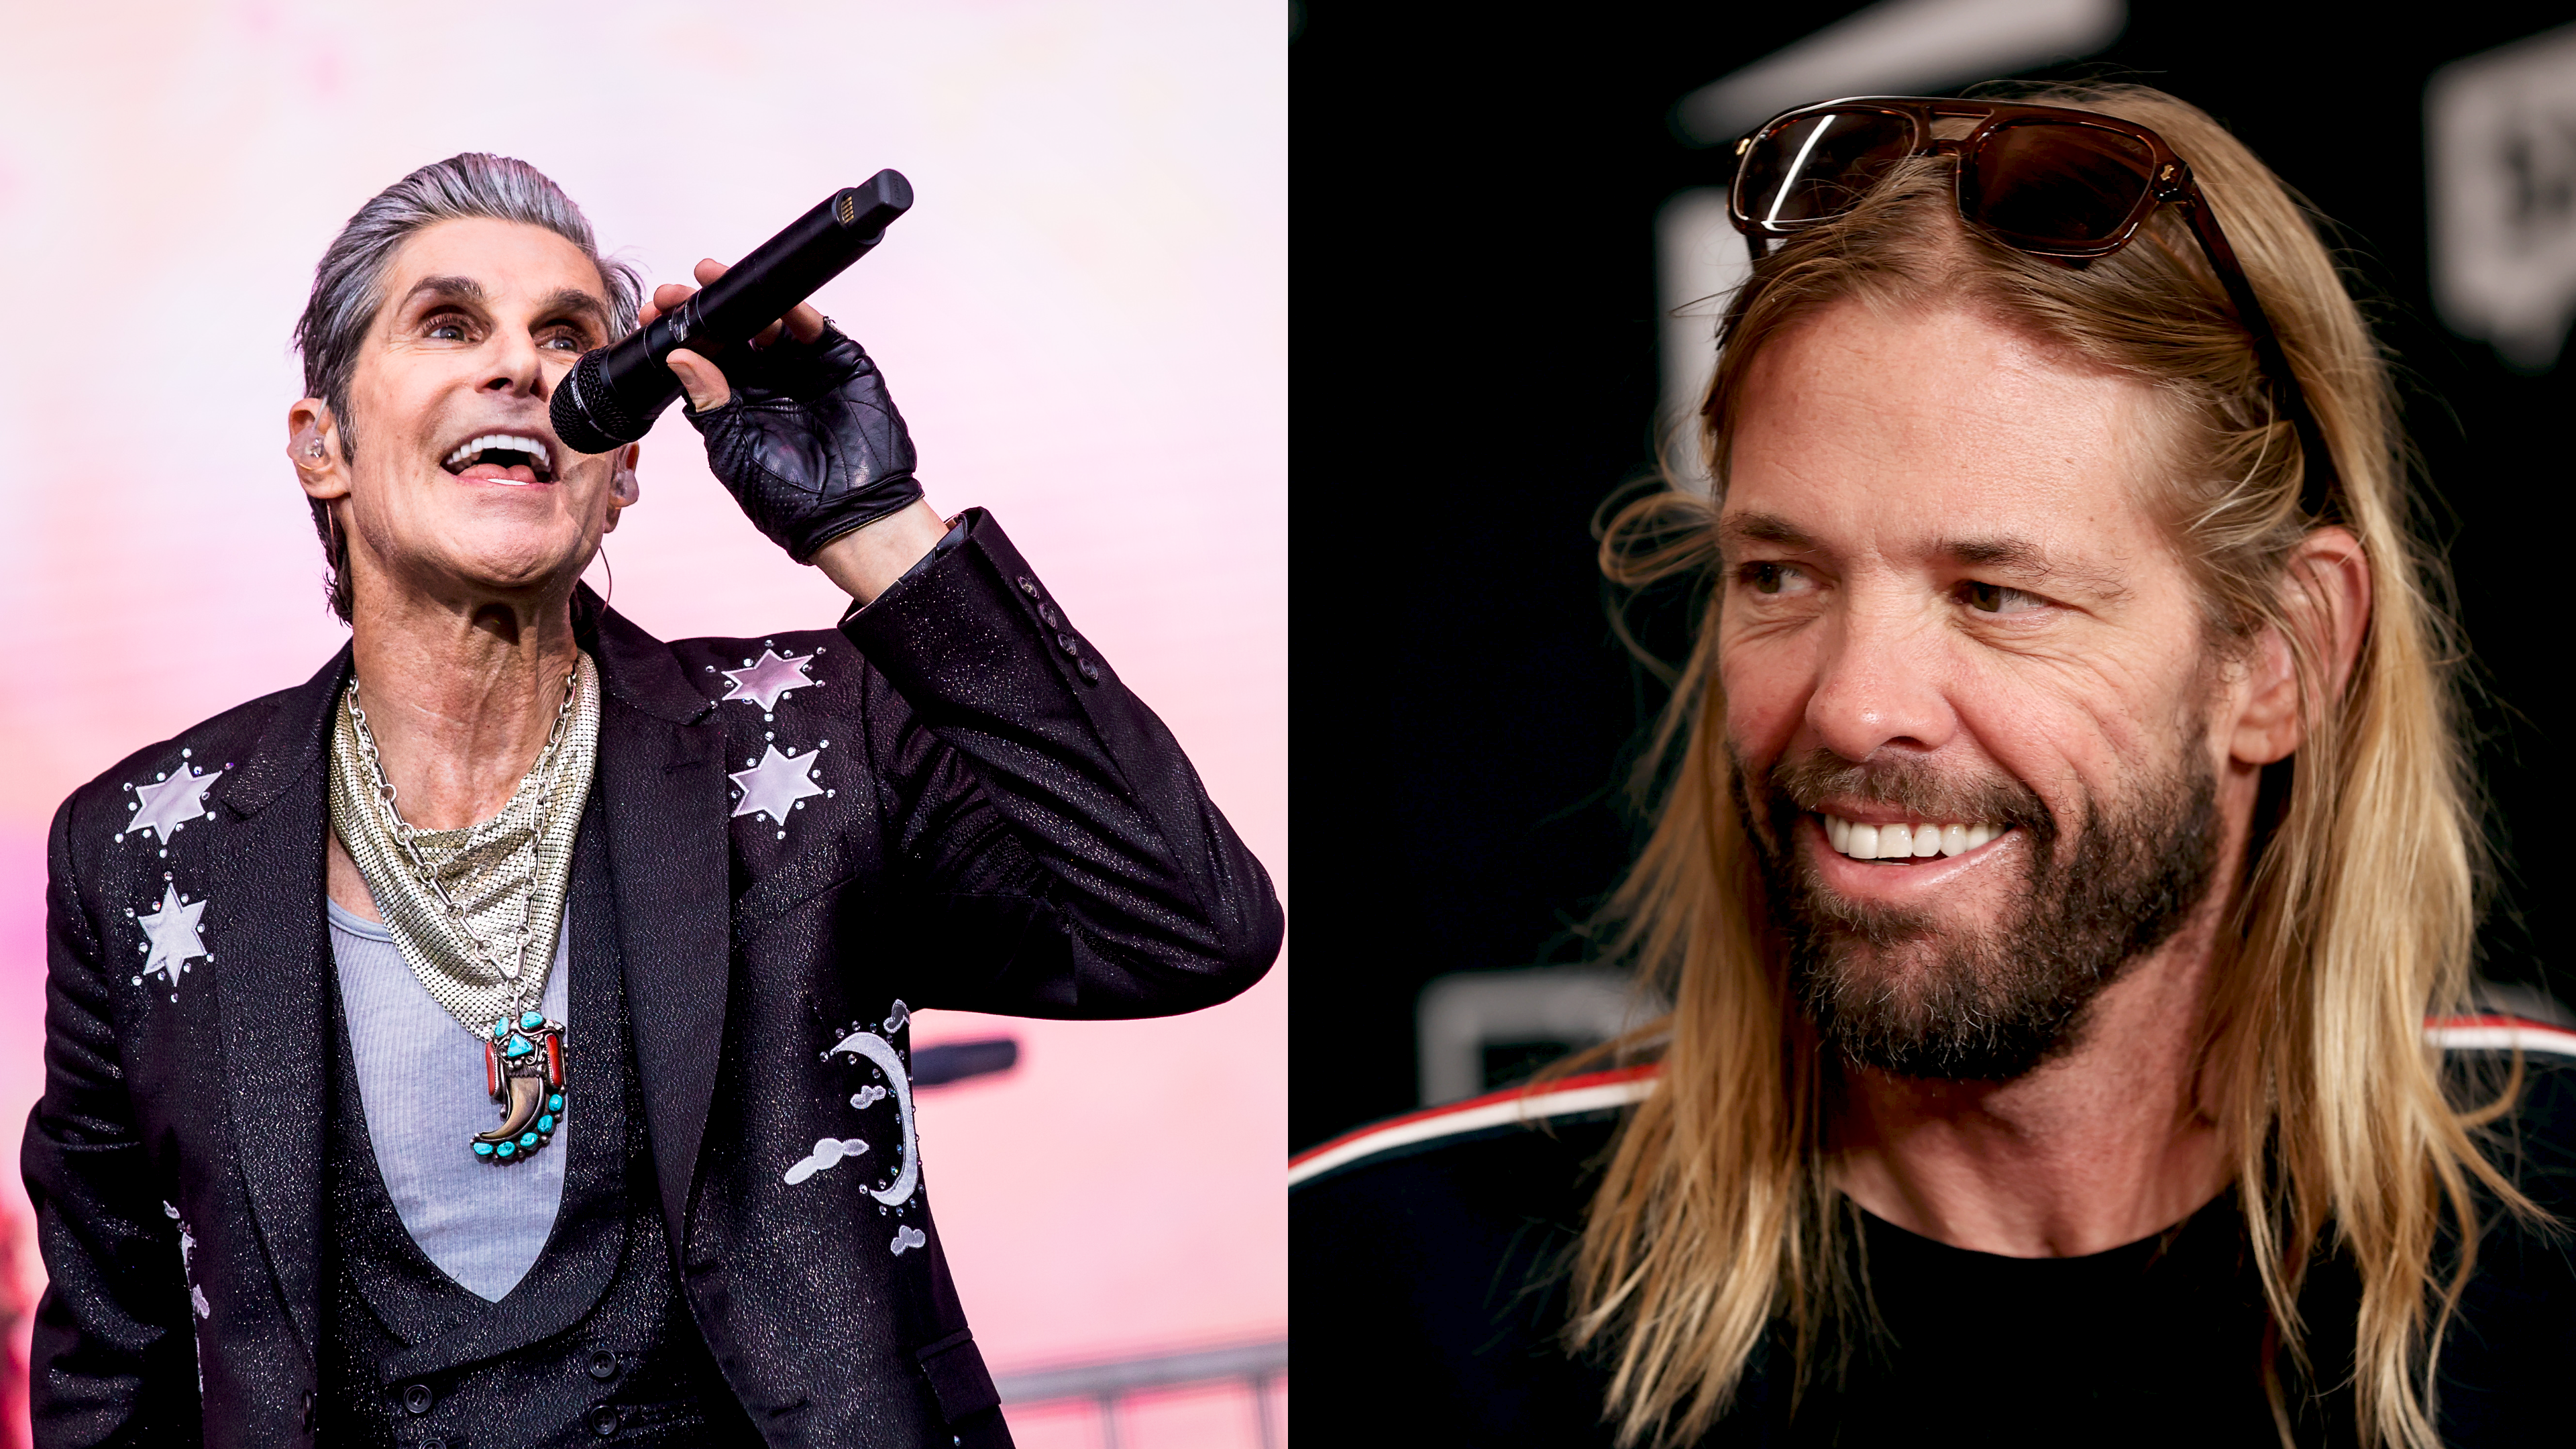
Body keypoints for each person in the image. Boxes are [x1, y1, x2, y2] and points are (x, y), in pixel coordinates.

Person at [1292, 85, 2576, 1446]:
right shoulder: (1391, 1295)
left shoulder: (2549, 1239)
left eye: (1993, 595)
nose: (1853, 707)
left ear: (2280, 657)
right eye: (1781, 575)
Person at [25, 154, 1281, 1448]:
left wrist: (876, 523)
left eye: (565, 338)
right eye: (450, 325)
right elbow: (110, 1381)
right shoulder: (137, 853)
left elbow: (1190, 925)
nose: (519, 366)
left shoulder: (811, 738)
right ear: (322, 447)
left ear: (621, 467)